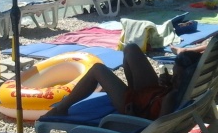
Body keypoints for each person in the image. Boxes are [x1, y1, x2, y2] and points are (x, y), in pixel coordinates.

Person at [43, 44, 201, 119]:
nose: (174, 78)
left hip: (135, 107)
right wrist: (170, 83)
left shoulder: (171, 98)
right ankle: (127, 90)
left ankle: (62, 108)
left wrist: (132, 118)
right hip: (152, 93)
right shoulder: (185, 88)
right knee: (131, 49)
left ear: (187, 78)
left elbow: (159, 127)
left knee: (98, 69)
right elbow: (175, 88)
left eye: (178, 77)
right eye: (174, 74)